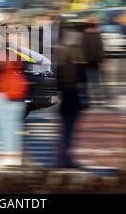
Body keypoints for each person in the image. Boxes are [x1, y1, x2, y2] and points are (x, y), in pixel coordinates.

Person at [0, 49, 28, 168]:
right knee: (14, 127)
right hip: (18, 91)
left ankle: (3, 157)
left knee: (2, 128)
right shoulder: (18, 53)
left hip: (2, 92)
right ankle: (14, 157)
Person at [55, 23, 87, 168]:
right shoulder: (78, 57)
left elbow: (57, 80)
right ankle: (66, 158)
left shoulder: (61, 57)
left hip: (65, 97)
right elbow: (83, 80)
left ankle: (63, 157)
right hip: (74, 95)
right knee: (70, 130)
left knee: (65, 129)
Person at [82, 16, 105, 106]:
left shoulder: (85, 34)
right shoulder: (98, 34)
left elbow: (83, 47)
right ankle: (98, 98)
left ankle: (86, 98)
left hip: (86, 60)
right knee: (96, 81)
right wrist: (101, 60)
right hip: (95, 60)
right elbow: (100, 48)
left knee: (86, 80)